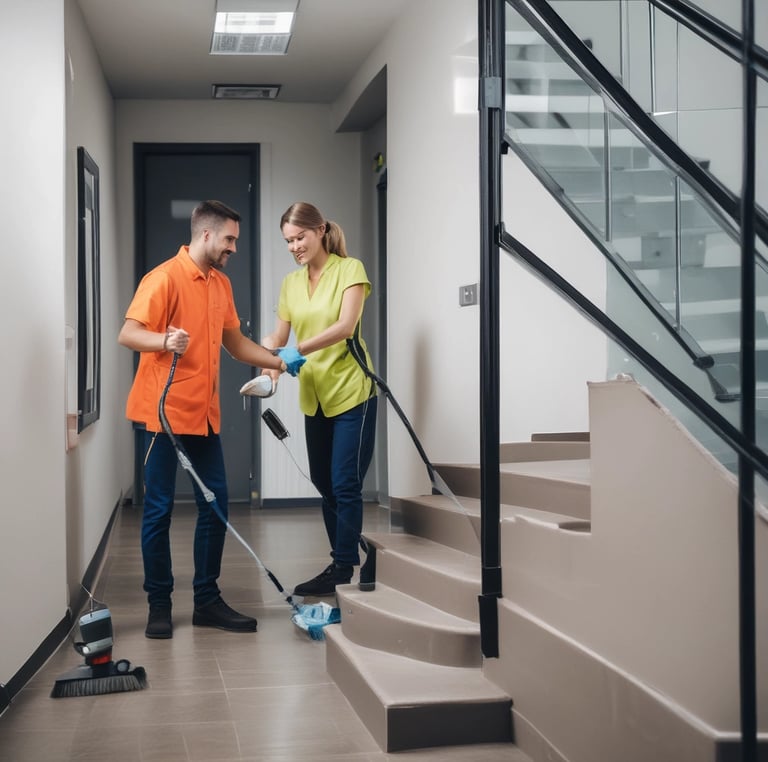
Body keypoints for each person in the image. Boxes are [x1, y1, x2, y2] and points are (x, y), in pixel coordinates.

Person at [118, 199, 299, 639]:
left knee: (215, 508)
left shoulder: (220, 285)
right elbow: (128, 333)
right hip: (162, 417)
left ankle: (206, 600)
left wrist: (277, 360)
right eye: (230, 239)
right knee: (158, 512)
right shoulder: (162, 278)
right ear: (206, 235)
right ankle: (159, 605)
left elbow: (236, 345)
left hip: (203, 418)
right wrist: (163, 338)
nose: (233, 248)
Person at [262, 202, 377, 597]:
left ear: (321, 230)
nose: (295, 246)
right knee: (326, 484)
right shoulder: (291, 284)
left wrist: (298, 349)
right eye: (288, 241)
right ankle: (347, 556)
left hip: (352, 392)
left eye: (300, 237)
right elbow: (278, 338)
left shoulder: (350, 270)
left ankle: (344, 568)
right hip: (315, 396)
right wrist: (268, 362)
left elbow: (345, 327)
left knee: (346, 483)